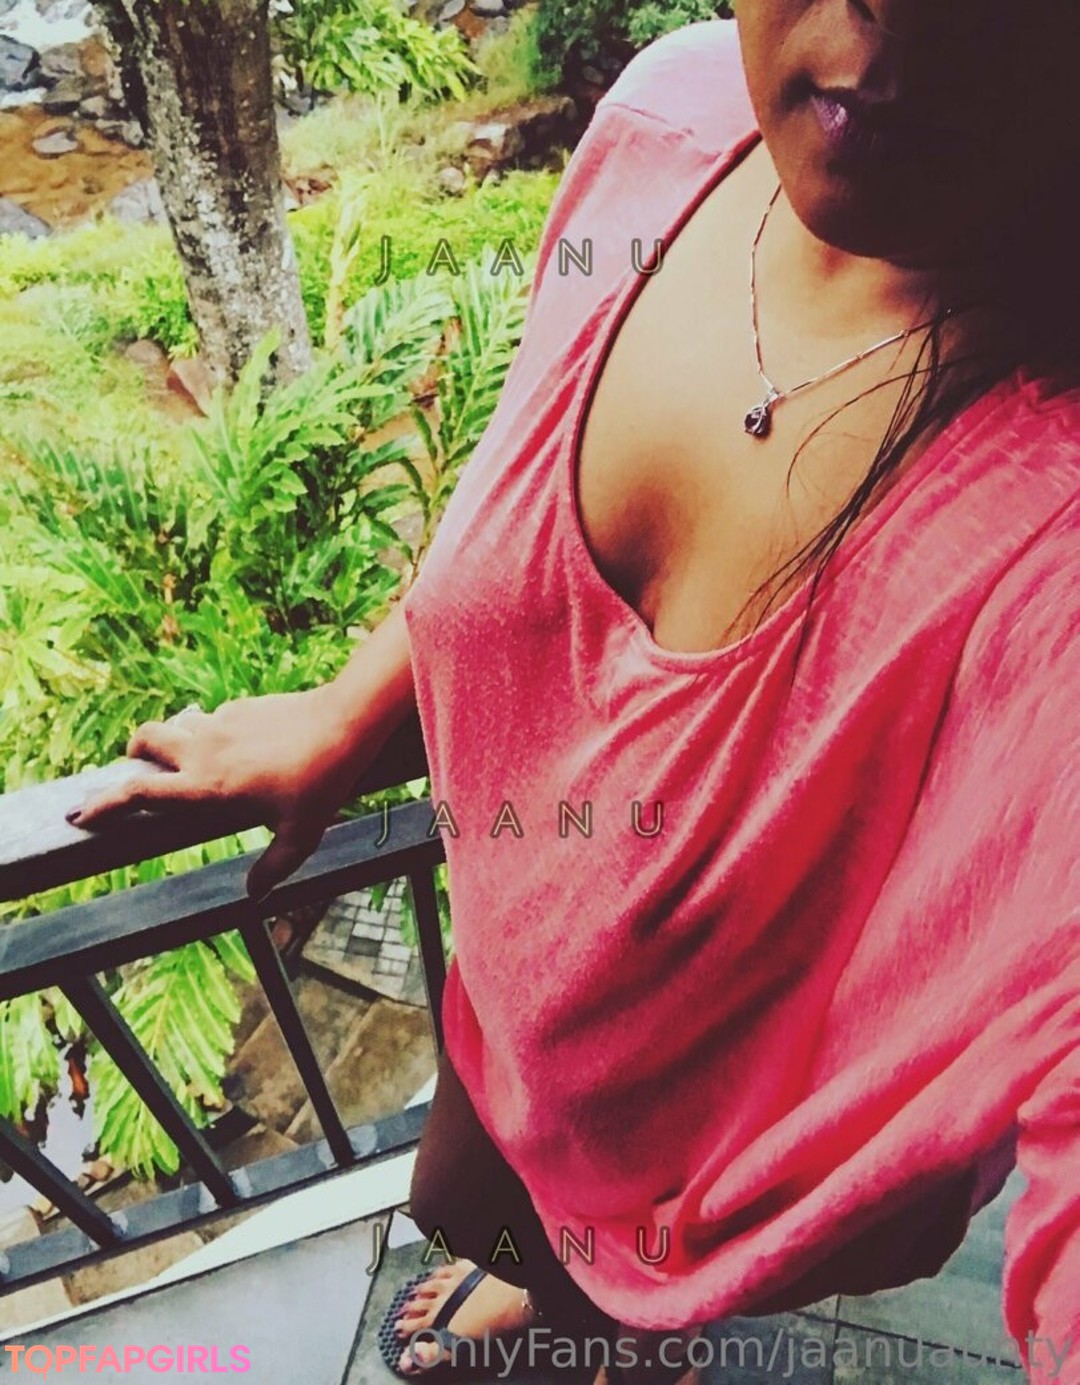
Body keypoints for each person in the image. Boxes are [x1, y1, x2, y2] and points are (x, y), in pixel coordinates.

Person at [68, 2, 1080, 1382]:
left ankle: (614, 1338)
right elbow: (518, 483)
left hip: (702, 1164)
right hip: (513, 1009)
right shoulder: (671, 126)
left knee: (615, 1292)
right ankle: (561, 1304)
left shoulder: (1046, 524)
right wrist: (348, 714)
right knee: (464, 1205)